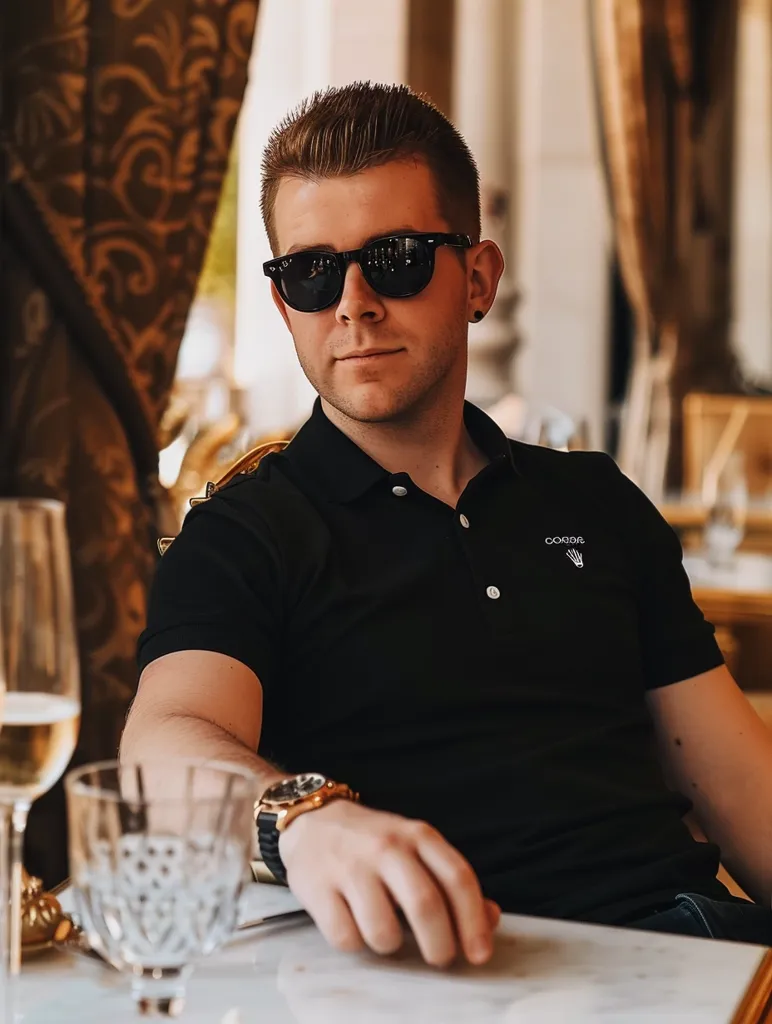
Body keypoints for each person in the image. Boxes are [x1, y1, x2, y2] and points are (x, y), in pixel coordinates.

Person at [122, 82, 772, 964]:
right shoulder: (245, 536)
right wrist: (303, 820)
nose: (351, 302)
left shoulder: (596, 502)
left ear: (477, 279)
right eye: (311, 272)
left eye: (394, 259)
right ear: (284, 306)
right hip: (443, 973)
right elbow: (161, 750)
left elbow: (746, 796)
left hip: (692, 948)